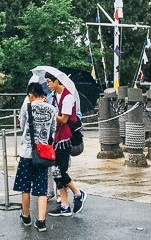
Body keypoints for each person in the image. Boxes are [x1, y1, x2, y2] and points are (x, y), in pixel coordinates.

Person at [13, 81, 57, 232]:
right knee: (41, 188)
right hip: (43, 154)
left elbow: (22, 125)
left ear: (31, 95)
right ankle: (41, 221)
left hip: (27, 152)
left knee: (25, 187)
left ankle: (26, 217)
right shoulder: (52, 109)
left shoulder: (27, 106)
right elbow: (53, 130)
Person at [45, 72, 87, 217]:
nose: (48, 84)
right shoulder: (55, 96)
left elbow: (63, 119)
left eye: (49, 81)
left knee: (59, 171)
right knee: (57, 172)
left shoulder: (68, 97)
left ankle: (78, 193)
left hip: (65, 138)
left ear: (57, 81)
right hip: (56, 137)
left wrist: (50, 112)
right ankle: (64, 205)